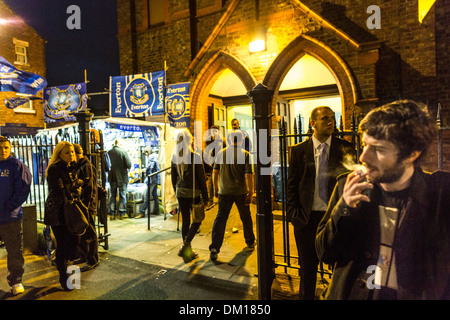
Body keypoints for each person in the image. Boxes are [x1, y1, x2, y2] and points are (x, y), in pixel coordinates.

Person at [316, 100, 450, 300]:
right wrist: (344, 209)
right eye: (364, 145)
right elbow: (325, 254)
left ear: (411, 154)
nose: (363, 157)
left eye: (378, 149)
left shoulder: (440, 196)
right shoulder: (350, 186)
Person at [286, 106, 354, 300]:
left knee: (339, 266)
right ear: (313, 123)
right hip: (307, 218)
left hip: (335, 217)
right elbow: (292, 184)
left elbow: (350, 182)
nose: (331, 122)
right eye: (325, 118)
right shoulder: (300, 151)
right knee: (307, 268)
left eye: (332, 118)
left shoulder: (345, 148)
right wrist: (293, 214)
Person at [209, 130, 255, 261]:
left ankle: (214, 247)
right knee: (245, 217)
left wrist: (216, 188)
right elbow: (248, 175)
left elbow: (215, 172)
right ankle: (250, 241)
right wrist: (250, 192)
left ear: (229, 140)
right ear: (240, 141)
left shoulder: (220, 153)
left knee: (221, 218)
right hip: (240, 192)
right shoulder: (245, 154)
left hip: (224, 191)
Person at [44, 141, 80, 290]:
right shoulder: (54, 168)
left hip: (69, 209)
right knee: (62, 243)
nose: (71, 154)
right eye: (67, 152)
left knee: (73, 241)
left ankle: (67, 269)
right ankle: (63, 276)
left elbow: (73, 187)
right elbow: (59, 189)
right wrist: (76, 184)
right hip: (57, 211)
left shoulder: (71, 166)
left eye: (72, 152)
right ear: (59, 154)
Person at [171, 129, 209, 262]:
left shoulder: (175, 157)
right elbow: (201, 179)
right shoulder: (195, 156)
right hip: (193, 194)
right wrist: (206, 197)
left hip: (181, 192)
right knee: (198, 219)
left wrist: (176, 192)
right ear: (189, 141)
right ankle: (186, 245)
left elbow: (173, 179)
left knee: (186, 221)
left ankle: (187, 251)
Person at [0, 136, 32, 295]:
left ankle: (16, 281)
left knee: (14, 251)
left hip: (9, 217)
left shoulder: (17, 166)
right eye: (0, 148)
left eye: (6, 147)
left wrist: (10, 206)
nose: (3, 151)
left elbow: (23, 189)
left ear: (10, 148)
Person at [73, 144, 99, 271]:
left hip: (86, 206)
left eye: (73, 153)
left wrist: (87, 206)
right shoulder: (79, 166)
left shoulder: (87, 166)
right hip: (82, 205)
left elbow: (90, 188)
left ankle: (93, 259)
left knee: (89, 233)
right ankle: (84, 256)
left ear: (78, 154)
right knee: (82, 233)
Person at [107, 139, 132, 219]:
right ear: (120, 144)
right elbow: (128, 164)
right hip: (122, 177)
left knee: (112, 195)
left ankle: (112, 213)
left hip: (112, 177)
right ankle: (122, 213)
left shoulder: (108, 152)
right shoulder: (123, 152)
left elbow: (106, 165)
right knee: (122, 195)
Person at [204, 125, 226, 203]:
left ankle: (222, 196)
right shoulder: (209, 140)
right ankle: (211, 199)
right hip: (213, 163)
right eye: (213, 131)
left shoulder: (223, 140)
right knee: (213, 180)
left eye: (216, 131)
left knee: (222, 179)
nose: (214, 133)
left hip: (222, 162)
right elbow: (207, 151)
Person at [136, 148, 160, 218]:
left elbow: (150, 166)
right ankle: (156, 209)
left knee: (147, 195)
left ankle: (142, 212)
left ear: (147, 152)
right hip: (155, 179)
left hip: (151, 179)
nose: (146, 156)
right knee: (154, 194)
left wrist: (146, 172)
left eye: (145, 154)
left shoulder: (151, 157)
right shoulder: (156, 155)